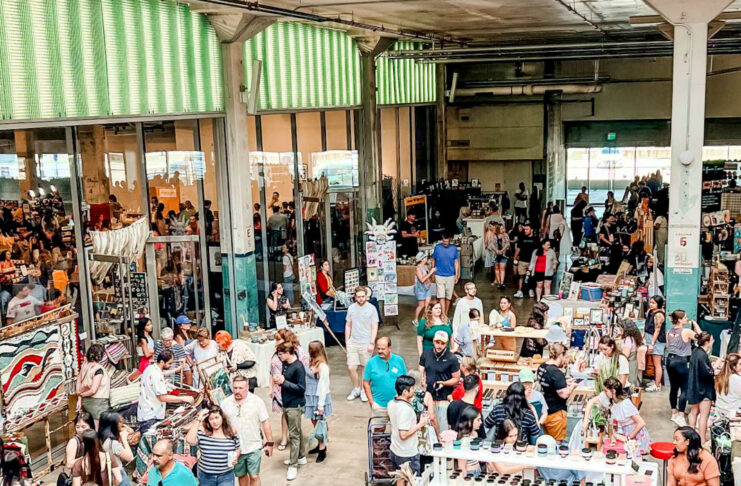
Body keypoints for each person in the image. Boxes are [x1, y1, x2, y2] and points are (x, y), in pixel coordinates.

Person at [221, 376, 273, 486]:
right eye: (235, 388)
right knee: (241, 475)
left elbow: (265, 422)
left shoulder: (257, 401)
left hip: (253, 445)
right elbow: (221, 425)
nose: (237, 391)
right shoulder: (225, 403)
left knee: (254, 476)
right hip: (235, 447)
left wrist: (270, 443)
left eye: (240, 388)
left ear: (247, 387)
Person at [582, 377, 650, 454]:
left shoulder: (625, 404)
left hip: (635, 433)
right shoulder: (609, 398)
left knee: (633, 458)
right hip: (624, 432)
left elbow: (641, 423)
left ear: (613, 391)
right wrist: (585, 421)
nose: (603, 393)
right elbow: (591, 401)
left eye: (605, 391)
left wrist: (628, 437)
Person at [270, 329, 309, 452]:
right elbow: (271, 372)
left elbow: (303, 370)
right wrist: (271, 387)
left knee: (294, 414)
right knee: (284, 412)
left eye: (278, 340)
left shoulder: (298, 352)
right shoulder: (277, 353)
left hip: (293, 385)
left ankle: (297, 447)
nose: (276, 343)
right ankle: (284, 438)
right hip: (279, 387)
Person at [137, 350, 195, 432]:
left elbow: (163, 373)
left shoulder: (150, 368)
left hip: (146, 413)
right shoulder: (156, 374)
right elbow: (162, 397)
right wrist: (184, 398)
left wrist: (175, 370)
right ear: (161, 362)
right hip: (151, 416)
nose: (171, 365)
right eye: (169, 363)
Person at [274, 341, 307, 481]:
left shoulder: (298, 367)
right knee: (297, 431)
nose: (279, 357)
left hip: (295, 404)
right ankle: (301, 457)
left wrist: (283, 382)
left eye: (280, 354)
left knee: (294, 435)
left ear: (288, 353)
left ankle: (293, 465)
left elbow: (301, 388)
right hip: (287, 403)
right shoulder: (285, 364)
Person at [387, 375, 429, 483]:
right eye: (412, 388)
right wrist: (421, 424)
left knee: (400, 479)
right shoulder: (405, 409)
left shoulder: (391, 403)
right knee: (413, 481)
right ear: (405, 391)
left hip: (395, 449)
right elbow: (403, 435)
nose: (414, 390)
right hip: (407, 453)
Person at [185, 406, 240, 486]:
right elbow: (189, 440)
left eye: (217, 417)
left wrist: (236, 456)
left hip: (226, 475)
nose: (215, 421)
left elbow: (238, 448)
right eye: (211, 419)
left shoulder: (231, 432)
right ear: (207, 421)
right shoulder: (203, 433)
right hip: (206, 475)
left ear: (222, 417)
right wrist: (199, 419)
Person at [419, 331, 461, 432]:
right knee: (429, 426)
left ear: (446, 344)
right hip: (428, 397)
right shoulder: (426, 354)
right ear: (433, 341)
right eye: (437, 342)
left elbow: (456, 379)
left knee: (443, 427)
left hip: (444, 398)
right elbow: (421, 370)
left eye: (442, 343)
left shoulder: (452, 358)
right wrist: (422, 380)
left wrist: (443, 383)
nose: (439, 345)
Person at [666, 310, 701, 427]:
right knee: (685, 388)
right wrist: (695, 324)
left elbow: (668, 346)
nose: (686, 319)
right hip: (681, 361)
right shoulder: (686, 331)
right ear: (680, 320)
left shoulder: (669, 332)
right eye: (685, 317)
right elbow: (701, 337)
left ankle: (673, 412)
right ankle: (681, 415)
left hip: (670, 360)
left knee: (674, 387)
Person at [537, 343, 577, 442]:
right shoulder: (557, 373)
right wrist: (572, 386)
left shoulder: (542, 367)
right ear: (560, 355)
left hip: (544, 411)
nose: (566, 360)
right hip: (556, 413)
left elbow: (549, 384)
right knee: (556, 442)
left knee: (546, 441)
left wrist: (564, 382)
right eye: (565, 356)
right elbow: (564, 394)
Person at [345, 286, 379, 402]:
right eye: (358, 297)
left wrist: (372, 342)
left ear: (366, 296)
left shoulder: (372, 309)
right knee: (351, 367)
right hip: (353, 342)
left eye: (362, 297)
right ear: (355, 297)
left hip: (366, 342)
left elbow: (374, 326)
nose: (360, 299)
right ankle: (356, 388)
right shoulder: (351, 308)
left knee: (365, 368)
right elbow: (348, 325)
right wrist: (347, 341)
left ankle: (364, 390)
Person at [363, 337, 408, 413]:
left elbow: (406, 381)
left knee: (397, 425)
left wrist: (404, 399)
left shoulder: (399, 360)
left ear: (389, 348)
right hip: (379, 405)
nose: (380, 351)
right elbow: (366, 383)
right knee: (378, 425)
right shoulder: (371, 362)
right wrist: (371, 402)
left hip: (397, 404)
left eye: (383, 349)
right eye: (378, 348)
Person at [304, 341, 332, 462]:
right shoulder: (311, 362)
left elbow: (323, 386)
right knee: (314, 422)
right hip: (310, 396)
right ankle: (320, 444)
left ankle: (322, 448)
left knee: (320, 423)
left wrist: (320, 405)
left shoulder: (323, 367)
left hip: (319, 397)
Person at [687, 332, 716, 443]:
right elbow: (707, 373)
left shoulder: (695, 351)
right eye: (712, 340)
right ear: (707, 342)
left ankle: (690, 438)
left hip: (694, 387)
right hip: (703, 389)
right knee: (704, 416)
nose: (713, 342)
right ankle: (702, 440)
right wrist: (715, 367)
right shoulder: (702, 355)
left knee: (693, 412)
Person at [76, 343, 111, 424]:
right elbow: (93, 390)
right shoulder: (98, 369)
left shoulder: (84, 366)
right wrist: (82, 395)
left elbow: (79, 382)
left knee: (87, 426)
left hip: (86, 402)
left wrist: (79, 398)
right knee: (97, 429)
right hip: (97, 403)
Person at [98, 412, 135, 486]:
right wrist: (124, 438)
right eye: (120, 422)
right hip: (117, 473)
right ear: (113, 424)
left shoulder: (100, 438)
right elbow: (130, 457)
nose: (123, 424)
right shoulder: (113, 443)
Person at [430, 234, 460, 317]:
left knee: (448, 297)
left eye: (447, 241)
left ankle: (445, 313)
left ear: (450, 240)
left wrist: (456, 274)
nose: (445, 243)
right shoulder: (437, 247)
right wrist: (432, 272)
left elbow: (456, 262)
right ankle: (443, 314)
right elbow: (433, 260)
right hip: (439, 275)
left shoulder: (454, 248)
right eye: (443, 241)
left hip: (450, 275)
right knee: (441, 296)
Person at [644, 295, 666, 392]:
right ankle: (656, 381)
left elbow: (657, 330)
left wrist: (652, 343)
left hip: (657, 341)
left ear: (659, 304)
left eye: (653, 303)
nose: (651, 304)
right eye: (650, 302)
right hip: (650, 338)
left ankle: (657, 385)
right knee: (653, 362)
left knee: (657, 364)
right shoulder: (650, 312)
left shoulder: (659, 315)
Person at [455, 407, 484, 477]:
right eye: (478, 420)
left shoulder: (475, 434)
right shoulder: (464, 441)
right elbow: (461, 466)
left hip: (478, 470)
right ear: (469, 421)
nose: (481, 422)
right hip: (470, 473)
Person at [513, 222, 538, 299]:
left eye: (527, 229)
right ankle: (520, 291)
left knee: (531, 277)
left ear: (531, 230)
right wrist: (515, 257)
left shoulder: (536, 239)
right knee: (521, 276)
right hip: (522, 260)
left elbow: (537, 251)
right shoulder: (522, 238)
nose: (525, 231)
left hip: (532, 262)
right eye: (524, 229)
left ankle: (531, 289)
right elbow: (518, 248)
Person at [715, 353, 741, 419]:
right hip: (733, 412)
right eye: (740, 364)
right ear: (734, 366)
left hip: (719, 409)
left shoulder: (719, 376)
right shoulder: (737, 379)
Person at [413, 252, 436, 324]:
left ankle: (425, 318)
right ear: (422, 259)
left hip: (427, 287)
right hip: (420, 289)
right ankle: (415, 319)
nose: (426, 258)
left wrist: (432, 274)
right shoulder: (418, 268)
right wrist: (431, 272)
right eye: (425, 257)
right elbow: (422, 280)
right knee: (421, 305)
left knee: (427, 304)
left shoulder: (425, 266)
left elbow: (428, 278)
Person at [492, 223, 510, 289]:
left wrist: (502, 250)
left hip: (504, 254)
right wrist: (496, 251)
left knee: (502, 268)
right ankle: (499, 282)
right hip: (495, 255)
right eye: (501, 228)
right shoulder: (494, 236)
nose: (503, 230)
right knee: (496, 268)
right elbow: (491, 244)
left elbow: (507, 244)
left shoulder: (506, 235)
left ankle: (502, 283)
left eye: (503, 228)